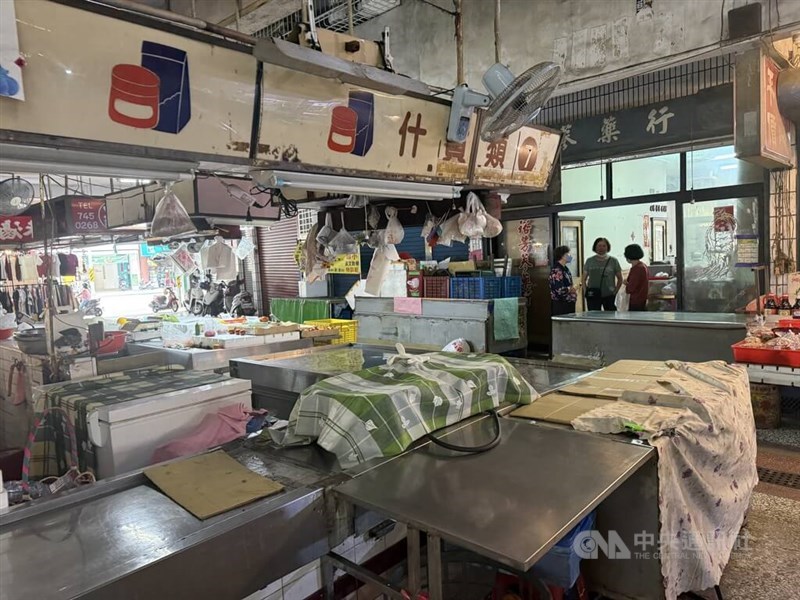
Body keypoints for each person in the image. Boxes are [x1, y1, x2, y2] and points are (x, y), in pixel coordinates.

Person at [581, 237, 623, 311]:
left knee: (610, 317)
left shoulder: (613, 261)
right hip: (593, 294)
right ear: (595, 247)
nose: (601, 248)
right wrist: (585, 291)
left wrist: (615, 291)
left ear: (607, 247)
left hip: (609, 294)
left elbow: (620, 278)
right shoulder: (589, 261)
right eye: (599, 246)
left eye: (604, 246)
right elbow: (583, 278)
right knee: (594, 316)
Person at [549, 245, 577, 316]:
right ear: (562, 256)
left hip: (568, 302)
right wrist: (570, 289)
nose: (570, 256)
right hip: (561, 304)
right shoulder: (557, 270)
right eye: (568, 254)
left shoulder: (565, 269)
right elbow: (559, 290)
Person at [624, 244, 649, 311]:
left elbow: (631, 288)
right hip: (642, 299)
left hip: (636, 301)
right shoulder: (643, 266)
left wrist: (625, 283)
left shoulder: (637, 269)